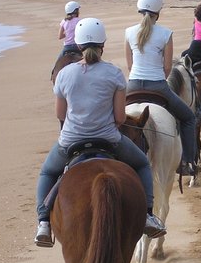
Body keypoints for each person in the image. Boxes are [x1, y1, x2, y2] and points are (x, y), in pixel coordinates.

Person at [35, 17, 166, 247]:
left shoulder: (65, 74)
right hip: (109, 140)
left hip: (71, 142)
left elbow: (60, 115)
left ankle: (43, 223)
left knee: (47, 173)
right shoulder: (114, 74)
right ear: (102, 44)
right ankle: (147, 215)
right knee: (143, 165)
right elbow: (119, 117)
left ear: (78, 45)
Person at [124, 0, 198, 176]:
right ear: (159, 11)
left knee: (110, 117)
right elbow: (167, 68)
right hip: (158, 85)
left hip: (132, 86)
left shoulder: (129, 32)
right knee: (189, 118)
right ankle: (187, 162)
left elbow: (129, 65)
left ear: (139, 9)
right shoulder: (165, 34)